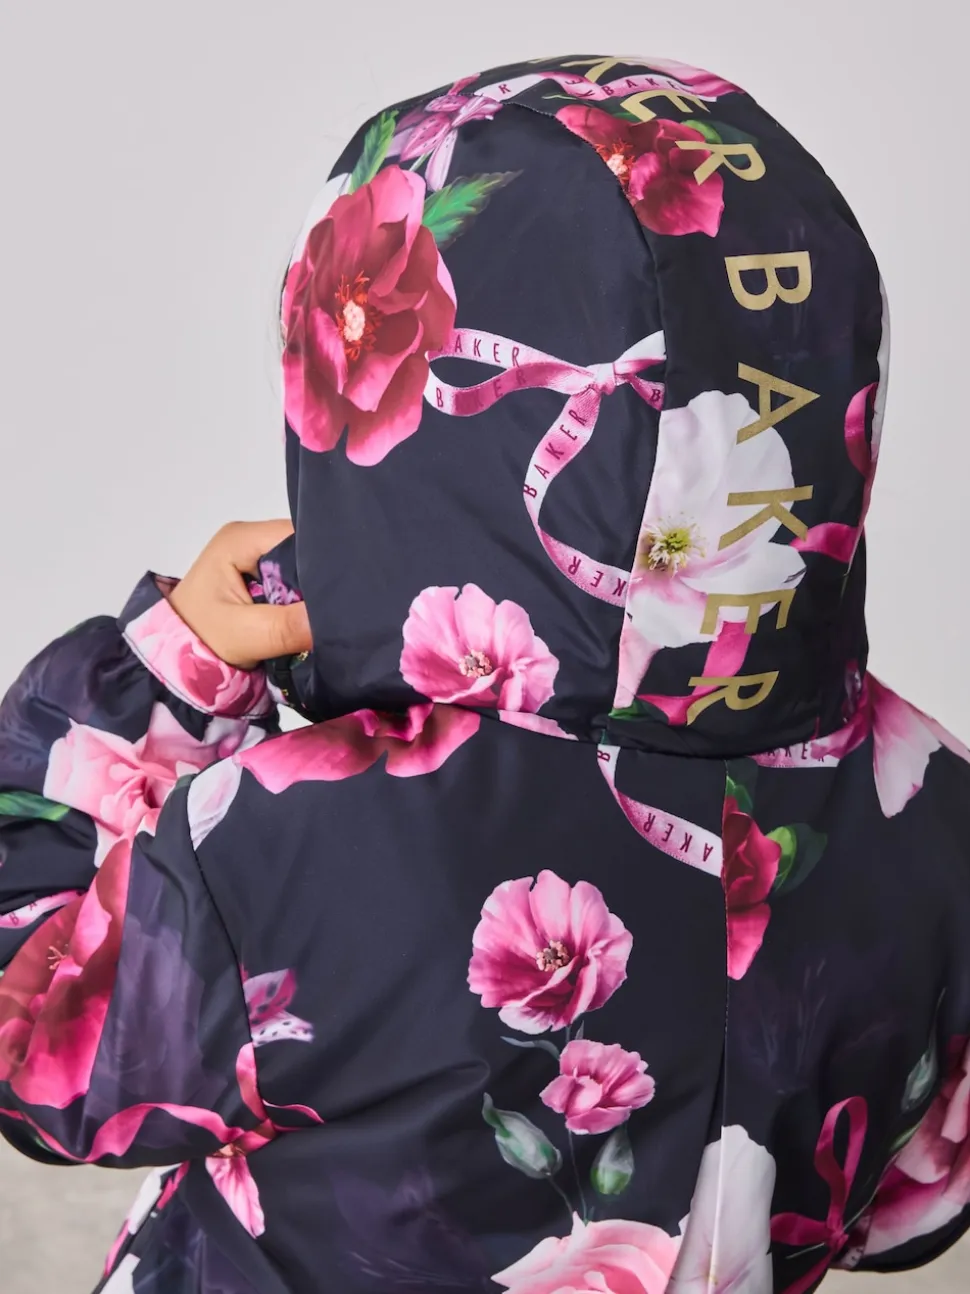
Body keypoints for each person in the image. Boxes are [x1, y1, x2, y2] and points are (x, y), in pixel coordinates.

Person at [1, 51, 968, 1294]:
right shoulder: (926, 806)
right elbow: (902, 1203)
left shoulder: (305, 837)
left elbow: (39, 1051)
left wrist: (165, 667)